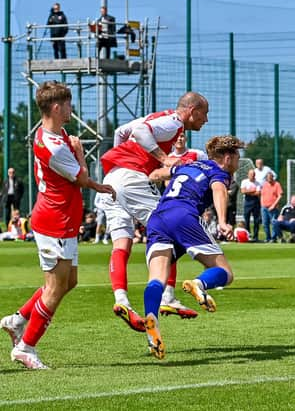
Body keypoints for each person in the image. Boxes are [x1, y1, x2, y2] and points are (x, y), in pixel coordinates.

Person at [0, 81, 115, 369]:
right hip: (54, 220)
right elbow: (81, 177)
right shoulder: (54, 145)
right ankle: (26, 347)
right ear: (56, 107)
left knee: (69, 282)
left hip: (63, 219)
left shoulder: (53, 132)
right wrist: (79, 152)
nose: (71, 110)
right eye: (68, 104)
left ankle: (17, 321)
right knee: (54, 288)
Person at [95, 92, 209, 330]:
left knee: (121, 245)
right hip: (131, 179)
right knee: (170, 230)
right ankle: (167, 296)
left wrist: (123, 163)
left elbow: (121, 133)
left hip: (112, 179)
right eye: (204, 114)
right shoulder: (174, 121)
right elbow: (139, 133)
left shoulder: (157, 118)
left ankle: (122, 300)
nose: (205, 120)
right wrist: (163, 158)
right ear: (192, 111)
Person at [142, 135, 244, 359]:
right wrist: (224, 221)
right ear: (227, 158)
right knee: (225, 273)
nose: (238, 161)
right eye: (237, 156)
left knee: (156, 278)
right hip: (184, 215)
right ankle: (199, 283)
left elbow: (155, 175)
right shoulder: (219, 172)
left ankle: (152, 329)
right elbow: (219, 190)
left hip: (158, 217)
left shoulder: (188, 165)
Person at [259, 172, 283, 242]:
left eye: (270, 177)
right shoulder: (264, 185)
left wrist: (274, 205)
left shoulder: (277, 184)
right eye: (268, 177)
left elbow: (280, 195)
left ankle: (273, 238)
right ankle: (268, 238)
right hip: (264, 207)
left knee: (274, 223)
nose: (269, 179)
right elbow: (262, 195)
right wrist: (262, 204)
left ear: (272, 177)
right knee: (265, 224)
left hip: (273, 208)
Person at [240, 169, 261, 241]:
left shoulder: (258, 183)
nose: (252, 176)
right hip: (247, 202)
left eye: (253, 174)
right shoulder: (244, 182)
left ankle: (255, 237)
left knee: (256, 220)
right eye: (251, 174)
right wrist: (253, 190)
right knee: (247, 220)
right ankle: (248, 236)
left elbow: (258, 193)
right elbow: (243, 191)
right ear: (248, 175)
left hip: (256, 202)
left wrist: (248, 191)